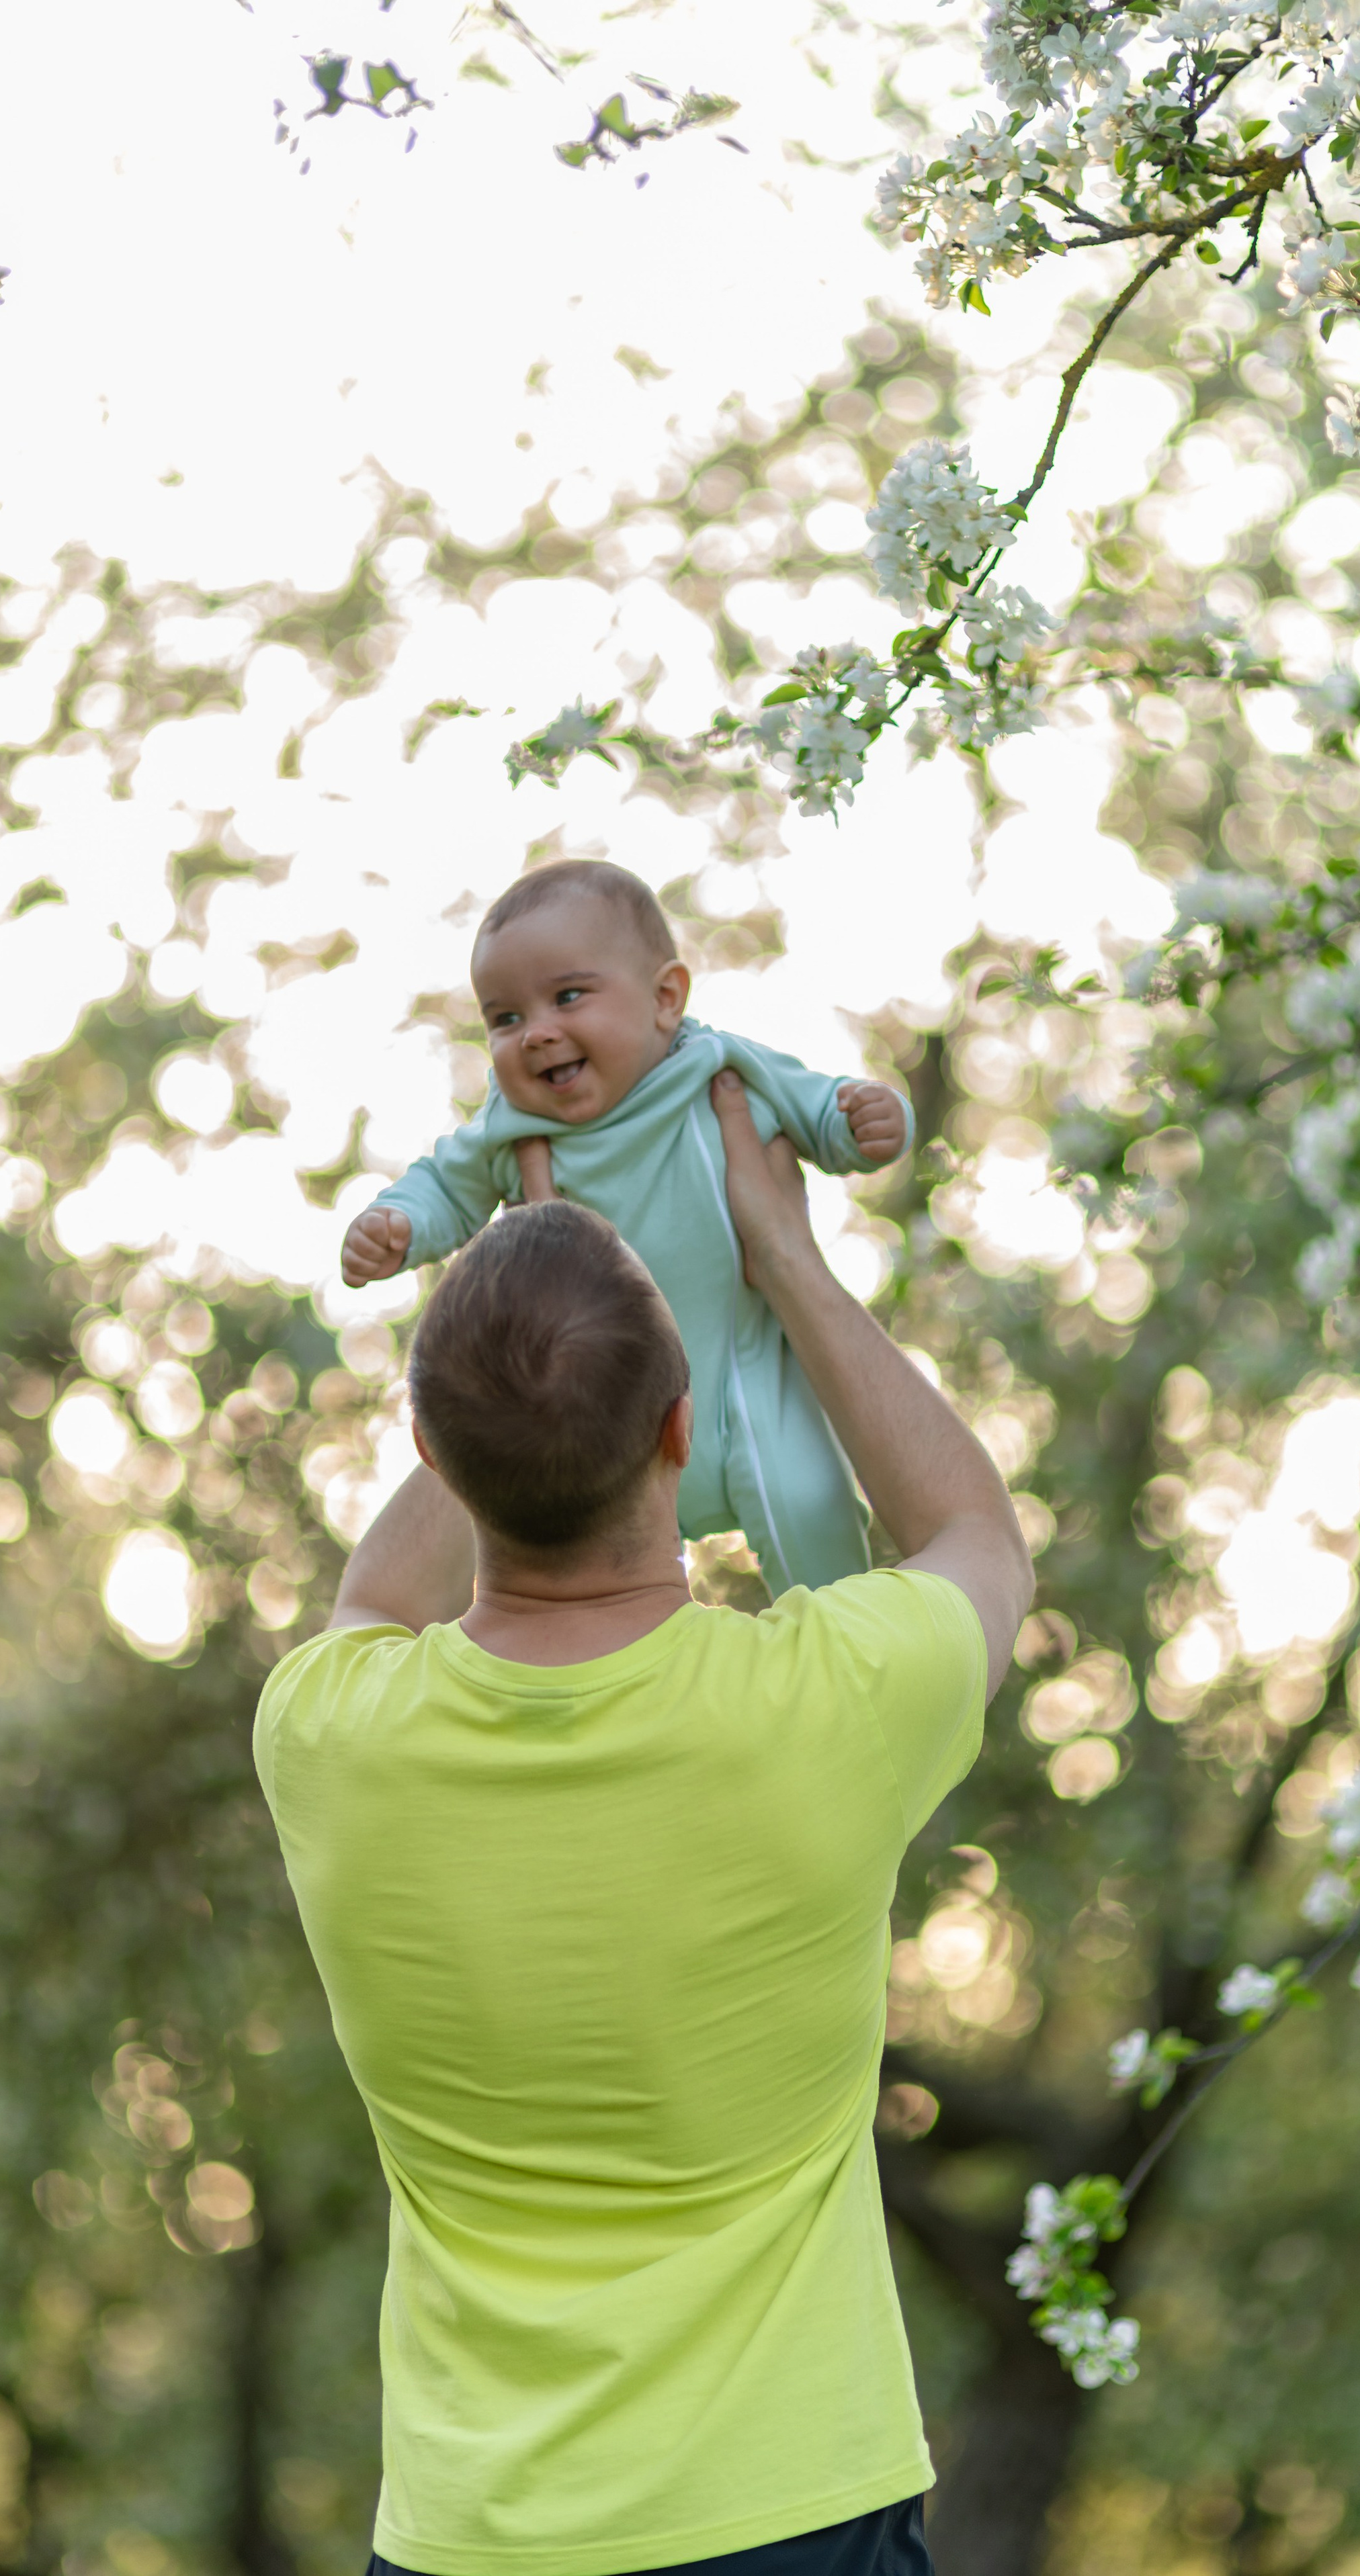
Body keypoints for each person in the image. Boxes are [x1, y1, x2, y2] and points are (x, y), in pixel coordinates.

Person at [258, 1069, 1034, 2576]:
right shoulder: (826, 1702)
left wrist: (519, 1294)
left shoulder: (326, 1736)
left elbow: (370, 1600)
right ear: (683, 1430)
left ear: (428, 1451)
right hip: (794, 2518)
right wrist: (778, 1260)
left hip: (471, 2539)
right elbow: (974, 1537)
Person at [339, 858, 915, 1591]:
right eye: (505, 1018)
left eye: (567, 997)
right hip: (604, 1424)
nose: (536, 1034)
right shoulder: (508, 1126)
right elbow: (444, 1187)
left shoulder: (718, 1070)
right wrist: (396, 1223)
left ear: (665, 998)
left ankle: (845, 1666)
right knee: (582, 1575)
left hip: (750, 1393)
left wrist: (871, 1121)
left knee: (811, 1508)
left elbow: (824, 1112)